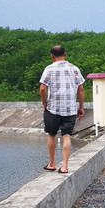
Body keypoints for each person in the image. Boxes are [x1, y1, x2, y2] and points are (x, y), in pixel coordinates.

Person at [38, 44, 85, 173]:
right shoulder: (74, 69)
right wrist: (80, 107)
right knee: (67, 136)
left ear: (52, 56)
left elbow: (42, 88)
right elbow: (80, 89)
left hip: (52, 108)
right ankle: (64, 166)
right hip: (70, 109)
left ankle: (52, 163)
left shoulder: (49, 69)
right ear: (65, 54)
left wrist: (44, 102)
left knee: (51, 134)